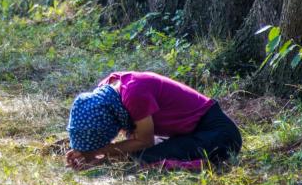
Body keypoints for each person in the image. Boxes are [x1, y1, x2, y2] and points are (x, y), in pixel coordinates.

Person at [65, 71, 242, 170]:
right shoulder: (109, 91)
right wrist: (84, 150)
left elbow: (144, 141)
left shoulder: (134, 95)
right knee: (135, 154)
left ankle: (205, 164)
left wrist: (100, 152)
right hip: (184, 132)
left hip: (218, 134)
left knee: (142, 159)